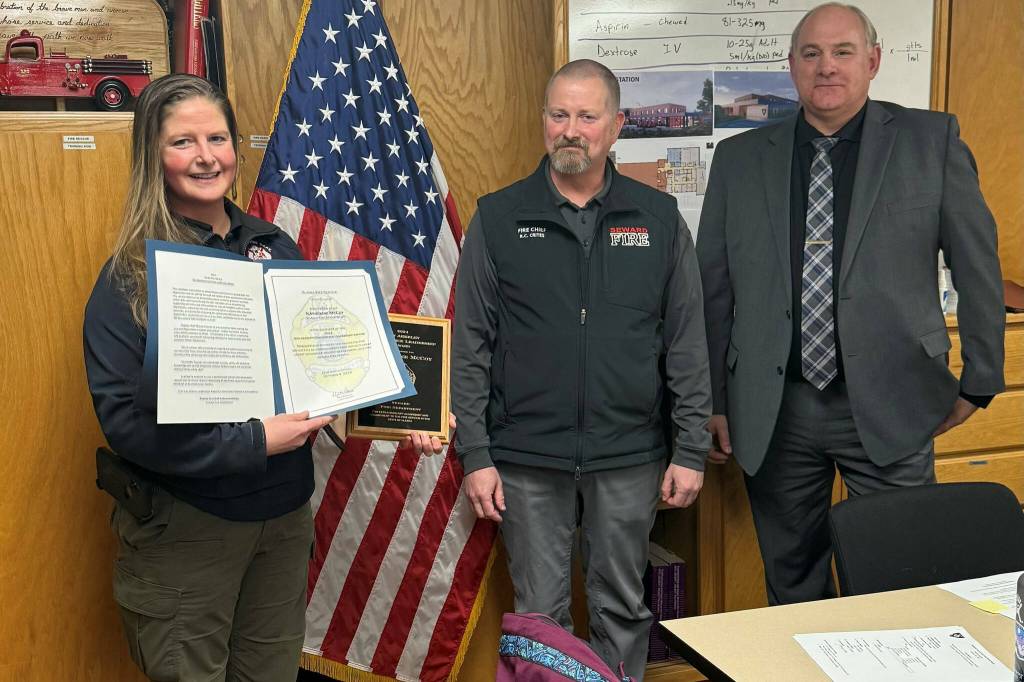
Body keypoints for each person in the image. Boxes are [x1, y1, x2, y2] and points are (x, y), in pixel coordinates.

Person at [83, 73, 445, 681]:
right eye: (182, 142)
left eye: (218, 138)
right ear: (152, 157)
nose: (206, 157)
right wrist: (253, 441)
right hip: (190, 525)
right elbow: (125, 423)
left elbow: (321, 371)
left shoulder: (274, 248)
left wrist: (398, 416)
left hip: (282, 519)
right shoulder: (130, 275)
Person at [697, 2, 1005, 606]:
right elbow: (713, 286)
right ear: (791, 67)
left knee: (903, 576)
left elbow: (978, 268)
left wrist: (980, 380)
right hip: (775, 408)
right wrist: (711, 398)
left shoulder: (930, 140)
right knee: (792, 580)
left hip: (894, 400)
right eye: (811, 54)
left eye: (842, 52)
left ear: (873, 61)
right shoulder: (740, 159)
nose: (826, 67)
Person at [451, 59, 711, 678]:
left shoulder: (658, 219)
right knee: (540, 618)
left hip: (629, 455)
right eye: (559, 114)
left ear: (616, 126)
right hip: (526, 458)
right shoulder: (498, 218)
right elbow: (471, 345)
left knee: (622, 609)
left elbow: (686, 343)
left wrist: (691, 448)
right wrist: (477, 454)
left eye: (587, 116)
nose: (571, 130)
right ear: (544, 121)